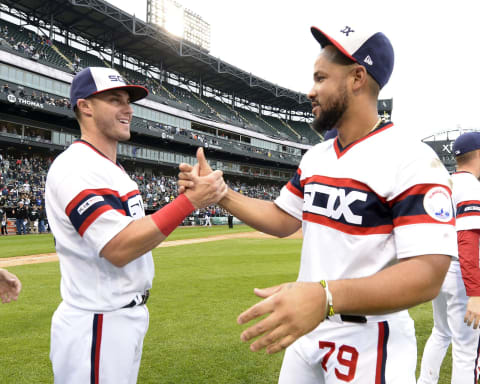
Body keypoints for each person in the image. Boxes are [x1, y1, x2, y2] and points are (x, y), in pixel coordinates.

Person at [179, 25, 457, 383]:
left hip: (370, 337)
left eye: (321, 78)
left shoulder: (413, 159)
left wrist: (327, 296)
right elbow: (283, 218)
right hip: (307, 326)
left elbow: (427, 276)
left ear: (358, 78)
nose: (311, 91)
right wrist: (221, 194)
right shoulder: (317, 156)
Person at [45, 67, 227, 384]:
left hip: (120, 317)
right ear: (85, 106)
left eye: (128, 101)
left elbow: (134, 232)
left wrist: (183, 198)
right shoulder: (75, 167)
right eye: (115, 100)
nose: (128, 108)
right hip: (97, 321)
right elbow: (118, 247)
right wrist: (189, 202)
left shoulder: (111, 169)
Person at [418, 132, 480, 384]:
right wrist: (475, 292)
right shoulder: (471, 186)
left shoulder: (444, 183)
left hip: (439, 268)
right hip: (460, 274)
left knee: (441, 333)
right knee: (466, 349)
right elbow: (467, 241)